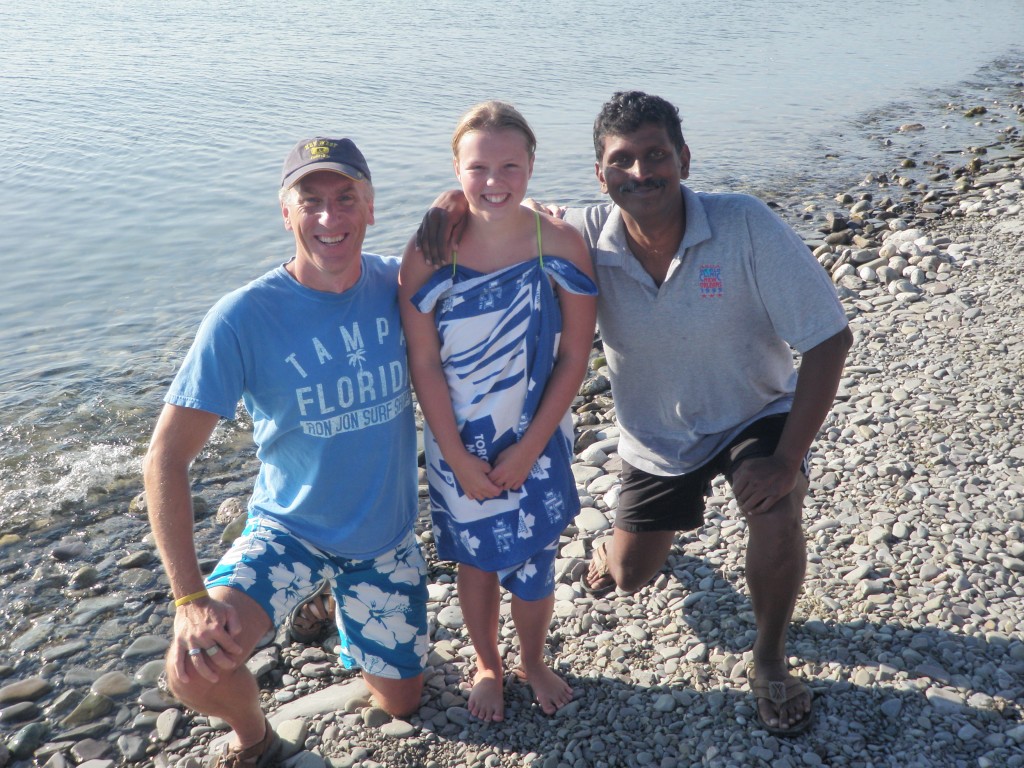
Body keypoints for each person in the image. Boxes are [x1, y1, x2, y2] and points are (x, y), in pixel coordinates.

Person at [416, 91, 853, 736]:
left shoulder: (745, 224)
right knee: (630, 575)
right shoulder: (586, 235)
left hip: (751, 414)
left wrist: (788, 458)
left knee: (776, 504)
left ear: (684, 157)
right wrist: (444, 202)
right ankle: (628, 550)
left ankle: (770, 661)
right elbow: (500, 199)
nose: (642, 173)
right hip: (655, 440)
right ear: (601, 174)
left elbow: (828, 337)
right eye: (623, 160)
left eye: (657, 156)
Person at [143, 137, 429, 767]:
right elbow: (165, 459)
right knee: (193, 668)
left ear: (371, 207)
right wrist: (190, 602)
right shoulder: (242, 317)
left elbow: (494, 250)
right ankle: (257, 741)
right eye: (311, 201)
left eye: (345, 198)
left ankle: (336, 611)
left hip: (384, 539)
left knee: (404, 703)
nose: (330, 218)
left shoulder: (401, 286)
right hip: (288, 533)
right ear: (285, 213)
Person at [399, 102, 597, 721]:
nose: (494, 181)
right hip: (458, 439)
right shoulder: (430, 252)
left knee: (537, 558)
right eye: (477, 166)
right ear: (455, 168)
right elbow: (424, 364)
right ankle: (488, 662)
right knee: (476, 561)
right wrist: (455, 454)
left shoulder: (559, 241)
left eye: (510, 165)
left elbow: (574, 356)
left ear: (533, 164)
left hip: (537, 436)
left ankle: (533, 660)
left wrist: (533, 443)